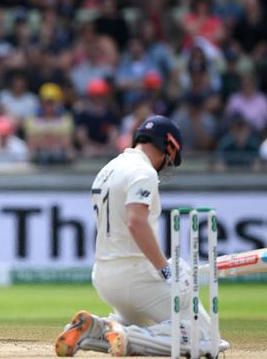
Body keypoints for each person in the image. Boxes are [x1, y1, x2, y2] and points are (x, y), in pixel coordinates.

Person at [54, 116, 229, 357]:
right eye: (169, 158)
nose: (166, 165)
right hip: (135, 276)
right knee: (205, 339)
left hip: (104, 276)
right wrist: (167, 270)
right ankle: (129, 336)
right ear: (168, 147)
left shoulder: (108, 168)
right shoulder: (143, 171)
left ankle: (96, 329)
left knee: (157, 328)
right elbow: (136, 222)